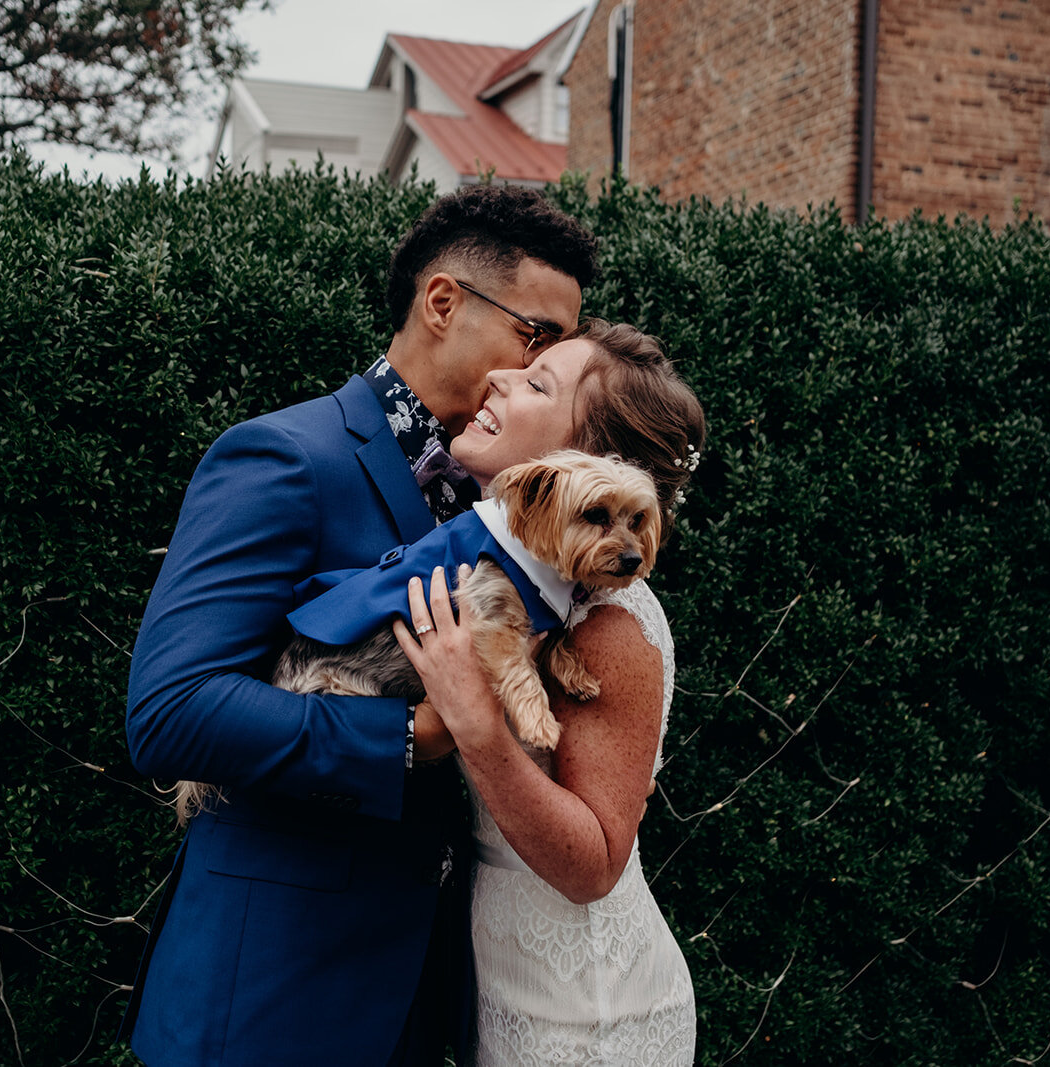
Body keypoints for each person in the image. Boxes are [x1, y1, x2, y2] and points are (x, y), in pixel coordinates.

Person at [119, 184, 598, 1067]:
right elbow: (169, 711)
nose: (547, 371)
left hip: (418, 1005)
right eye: (539, 338)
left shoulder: (508, 499)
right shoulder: (284, 457)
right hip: (267, 999)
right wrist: (413, 733)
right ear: (443, 302)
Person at [394, 319, 705, 1065]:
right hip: (503, 975)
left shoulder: (609, 622)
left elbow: (593, 862)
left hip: (587, 1005)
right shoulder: (526, 585)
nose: (499, 378)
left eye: (538, 384)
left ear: (586, 462)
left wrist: (475, 724)